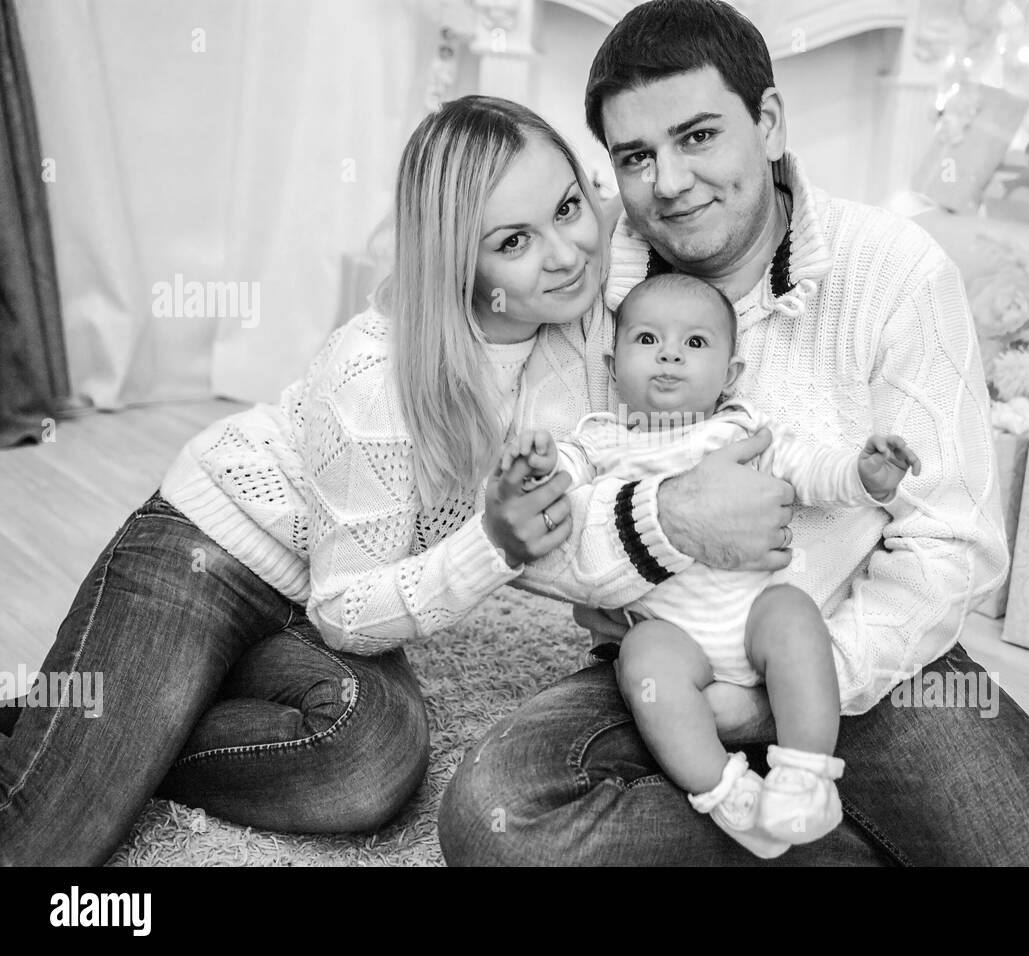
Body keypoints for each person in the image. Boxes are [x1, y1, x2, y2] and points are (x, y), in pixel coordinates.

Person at [438, 0, 1029, 866]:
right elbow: (542, 539)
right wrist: (668, 518)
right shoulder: (587, 280)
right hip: (672, 662)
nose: (669, 182)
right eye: (636, 156)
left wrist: (794, 690)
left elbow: (953, 544)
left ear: (769, 121)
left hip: (863, 658)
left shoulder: (894, 270)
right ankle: (817, 829)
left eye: (699, 136)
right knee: (499, 819)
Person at [0, 95, 611, 865]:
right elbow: (346, 610)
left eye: (569, 206)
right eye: (515, 240)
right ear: (460, 259)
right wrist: (492, 543)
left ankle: (107, 733)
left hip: (311, 603)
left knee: (366, 761)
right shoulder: (376, 370)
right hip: (212, 554)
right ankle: (87, 741)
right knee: (39, 840)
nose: (566, 252)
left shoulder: (585, 316)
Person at [505, 272, 918, 857]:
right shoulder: (600, 440)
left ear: (729, 376)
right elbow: (563, 487)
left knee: (795, 614)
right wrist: (539, 471)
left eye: (695, 343)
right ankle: (727, 794)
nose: (670, 353)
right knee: (641, 662)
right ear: (613, 363)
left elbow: (811, 469)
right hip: (675, 639)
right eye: (647, 339)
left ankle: (805, 776)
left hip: (752, 622)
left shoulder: (740, 430)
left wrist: (862, 475)